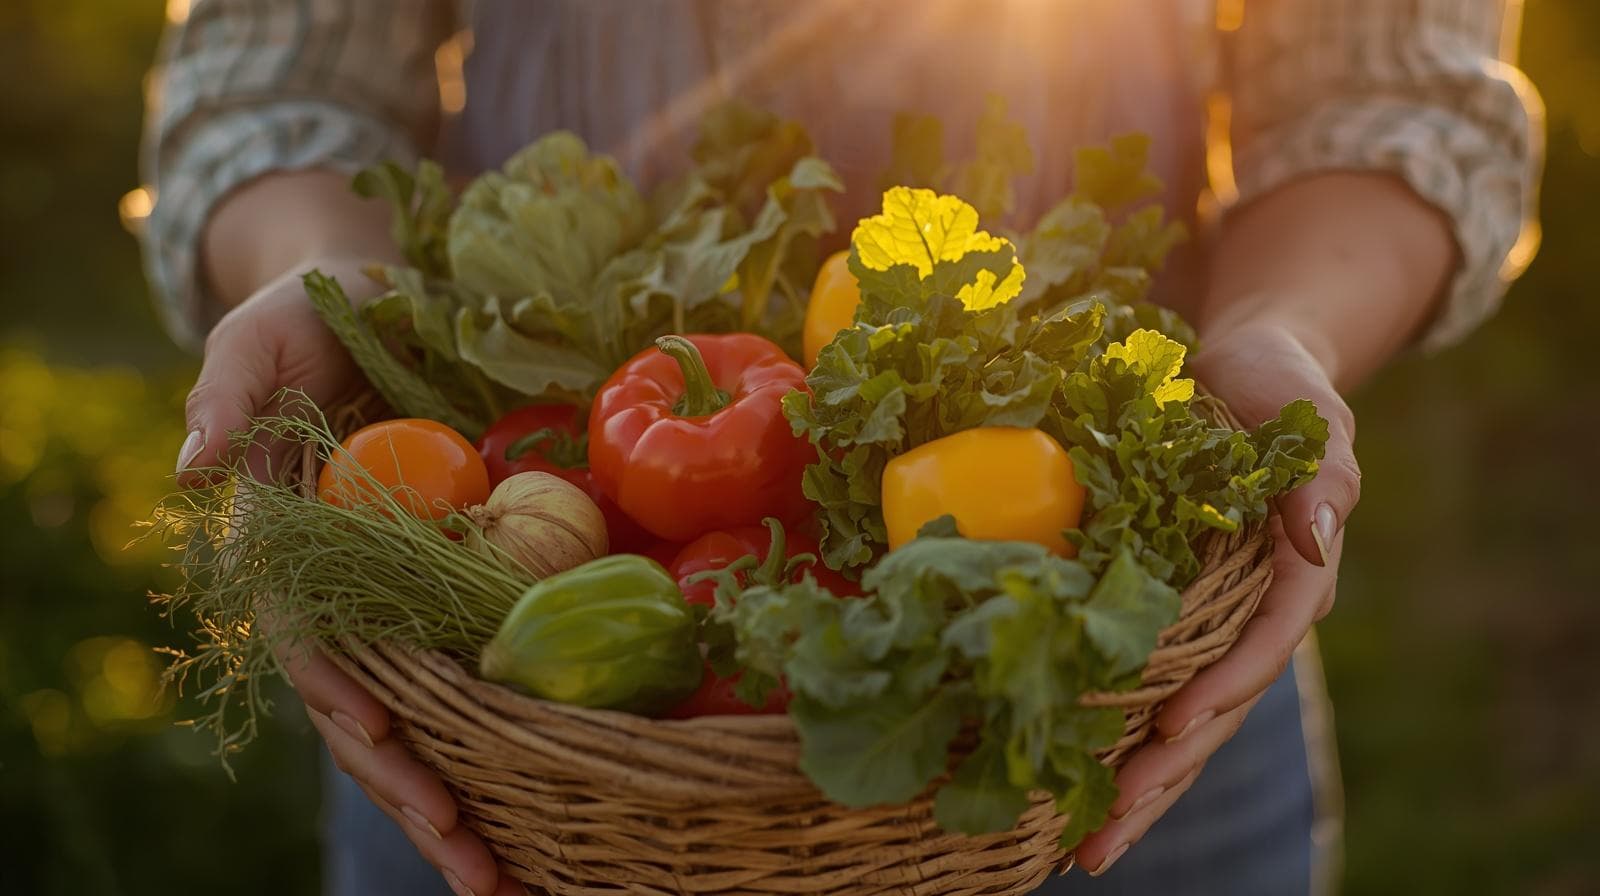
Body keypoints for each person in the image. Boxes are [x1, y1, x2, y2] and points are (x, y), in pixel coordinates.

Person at [141, 2, 1542, 895]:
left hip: (1115, 713)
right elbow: (274, 76)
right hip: (518, 785)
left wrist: (1279, 334)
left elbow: (1394, 95)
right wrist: (335, 286)